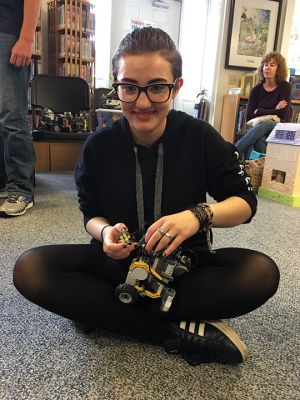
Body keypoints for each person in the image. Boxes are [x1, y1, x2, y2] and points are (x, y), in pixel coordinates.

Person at [13, 27, 280, 366]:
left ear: (176, 86)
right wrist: (105, 232)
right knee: (30, 268)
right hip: (115, 266)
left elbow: (244, 203)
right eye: (129, 88)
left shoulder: (199, 136)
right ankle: (172, 334)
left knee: (260, 272)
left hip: (183, 268)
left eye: (156, 88)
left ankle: (107, 313)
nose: (141, 102)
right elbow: (90, 214)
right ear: (116, 86)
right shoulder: (98, 146)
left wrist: (198, 215)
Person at [0, 0, 41, 216]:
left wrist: (26, 39)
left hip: (8, 34)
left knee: (12, 115)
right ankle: (5, 184)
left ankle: (21, 190)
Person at [235, 52, 291, 159]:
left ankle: (235, 151)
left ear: (279, 69)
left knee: (266, 123)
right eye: (265, 65)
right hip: (259, 128)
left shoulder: (285, 87)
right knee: (260, 139)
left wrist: (259, 111)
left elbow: (282, 114)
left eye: (272, 65)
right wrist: (274, 109)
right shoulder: (256, 90)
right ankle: (259, 170)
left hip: (280, 128)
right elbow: (249, 117)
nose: (267, 68)